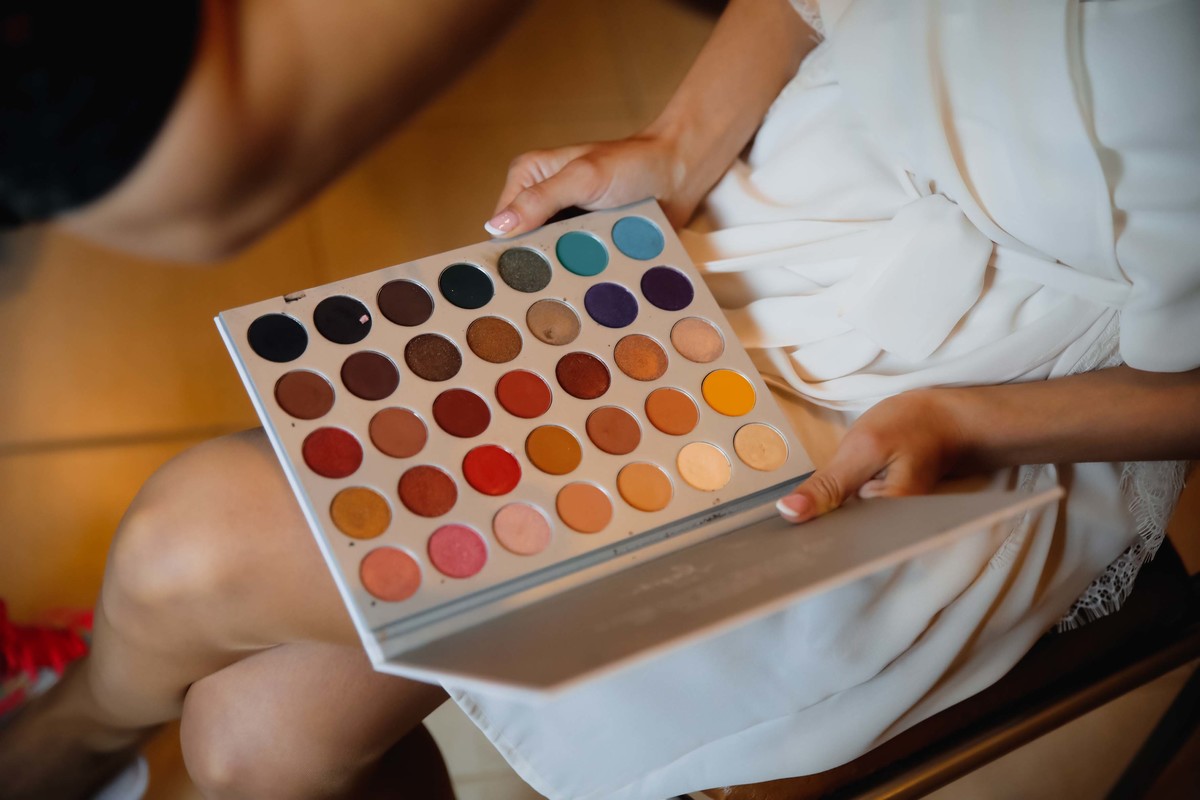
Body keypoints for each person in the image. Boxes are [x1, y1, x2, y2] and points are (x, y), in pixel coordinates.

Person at [2, 0, 1198, 799]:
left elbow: (202, 173)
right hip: (760, 225)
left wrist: (967, 421)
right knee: (253, 747)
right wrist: (677, 143)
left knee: (193, 553)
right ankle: (73, 736)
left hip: (977, 401)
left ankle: (63, 743)